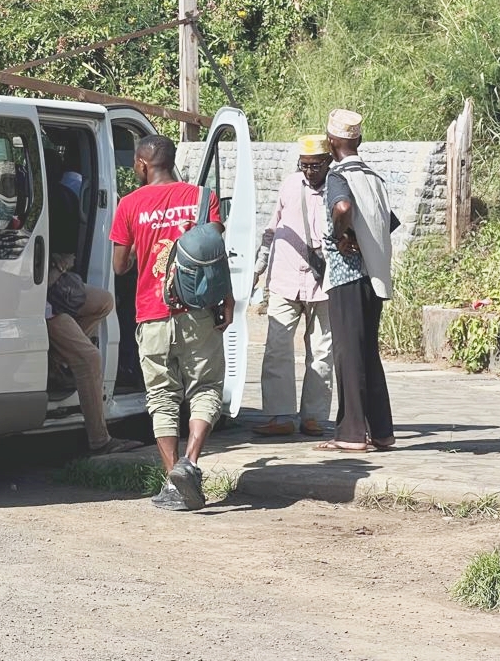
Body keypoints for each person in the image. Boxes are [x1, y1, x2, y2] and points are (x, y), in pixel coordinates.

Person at [110, 135, 232, 511]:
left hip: (152, 314)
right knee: (206, 388)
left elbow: (119, 266)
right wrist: (228, 299)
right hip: (197, 313)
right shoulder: (201, 198)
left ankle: (175, 483)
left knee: (162, 397)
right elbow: (215, 255)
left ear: (144, 164)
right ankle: (190, 464)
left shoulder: (129, 204)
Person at [316, 109, 397, 452]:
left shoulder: (338, 176)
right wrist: (363, 239)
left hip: (346, 277)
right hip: (372, 279)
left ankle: (350, 435)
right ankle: (381, 432)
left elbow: (343, 207)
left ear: (332, 143)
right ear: (358, 140)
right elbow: (388, 222)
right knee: (368, 354)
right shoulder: (374, 177)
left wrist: (340, 234)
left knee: (348, 355)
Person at [253, 134, 335, 438]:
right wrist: (258, 267)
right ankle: (279, 415)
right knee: (277, 348)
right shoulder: (289, 185)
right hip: (284, 278)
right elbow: (272, 229)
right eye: (304, 166)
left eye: (315, 166)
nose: (309, 172)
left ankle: (313, 416)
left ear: (328, 162)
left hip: (324, 283)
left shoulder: (338, 189)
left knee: (322, 350)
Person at [45, 255, 143, 456]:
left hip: (54, 296)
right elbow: (37, 282)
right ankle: (100, 440)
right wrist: (60, 267)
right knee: (90, 360)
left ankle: (58, 361)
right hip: (45, 310)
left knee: (105, 301)